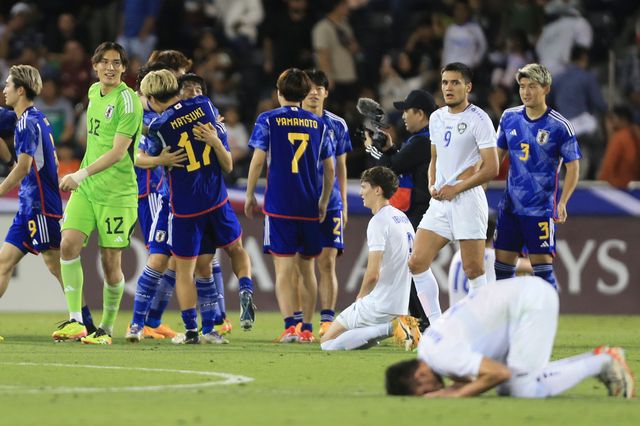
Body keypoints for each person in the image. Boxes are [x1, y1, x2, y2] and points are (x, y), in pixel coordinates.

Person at [140, 69, 255, 344]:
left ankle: (191, 330)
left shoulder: (158, 126)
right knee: (232, 251)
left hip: (185, 208)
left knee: (185, 270)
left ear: (154, 97)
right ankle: (244, 291)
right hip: (216, 199)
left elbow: (142, 157)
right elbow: (228, 165)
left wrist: (157, 159)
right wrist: (215, 138)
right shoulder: (206, 108)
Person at [385, 276, 636, 399]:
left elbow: (499, 373)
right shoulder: (430, 347)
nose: (431, 394)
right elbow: (487, 374)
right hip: (519, 300)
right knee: (510, 386)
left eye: (424, 394)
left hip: (529, 303)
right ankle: (601, 360)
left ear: (418, 377)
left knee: (520, 388)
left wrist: (454, 394)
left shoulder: (443, 356)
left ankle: (603, 361)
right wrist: (459, 387)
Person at [53, 42, 143, 345]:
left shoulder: (128, 101)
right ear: (94, 66)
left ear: (124, 68)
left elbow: (119, 153)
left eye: (117, 62)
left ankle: (104, 328)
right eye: (104, 61)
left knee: (110, 263)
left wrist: (80, 172)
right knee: (68, 244)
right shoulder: (93, 92)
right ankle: (77, 321)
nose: (110, 67)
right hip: (88, 190)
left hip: (117, 193)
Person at [0, 65, 96, 333]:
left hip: (40, 205)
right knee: (4, 261)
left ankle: (82, 322)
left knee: (56, 264)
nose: (4, 89)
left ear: (20, 90)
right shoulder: (33, 118)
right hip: (29, 204)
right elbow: (50, 158)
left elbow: (23, 167)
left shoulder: (27, 123)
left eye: (7, 85)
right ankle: (83, 322)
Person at [245, 68, 334, 343]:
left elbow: (258, 160)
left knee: (283, 269)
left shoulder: (268, 120)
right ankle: (307, 328)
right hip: (308, 205)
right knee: (308, 269)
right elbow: (329, 169)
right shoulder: (318, 123)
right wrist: (323, 201)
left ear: (279, 92)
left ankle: (290, 327)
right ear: (305, 93)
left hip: (279, 205)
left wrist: (249, 194)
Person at [407, 62, 499, 310]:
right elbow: (434, 158)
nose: (448, 87)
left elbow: (492, 167)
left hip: (467, 199)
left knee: (474, 269)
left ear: (467, 87)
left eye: (455, 82)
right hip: (440, 202)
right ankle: (436, 326)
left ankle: (483, 326)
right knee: (416, 262)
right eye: (445, 82)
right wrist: (431, 183)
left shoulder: (479, 119)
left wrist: (456, 188)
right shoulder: (436, 117)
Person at [493, 63, 581, 289]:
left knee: (542, 274)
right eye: (522, 86)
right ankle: (508, 323)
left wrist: (563, 202)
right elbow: (495, 159)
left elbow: (573, 167)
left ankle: (548, 322)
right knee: (501, 272)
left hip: (540, 210)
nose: (525, 92)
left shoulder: (560, 126)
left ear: (546, 89)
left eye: (532, 86)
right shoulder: (509, 117)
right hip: (510, 208)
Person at [321, 166, 421, 351]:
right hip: (399, 304)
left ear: (377, 190)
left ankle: (391, 328)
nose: (361, 192)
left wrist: (361, 297)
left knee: (327, 343)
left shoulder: (378, 221)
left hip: (378, 303)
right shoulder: (402, 218)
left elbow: (373, 273)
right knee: (364, 337)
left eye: (364, 186)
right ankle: (392, 327)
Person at [364, 89, 441, 331]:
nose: (403, 117)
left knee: (408, 267)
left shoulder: (422, 141)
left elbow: (389, 172)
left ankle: (424, 322)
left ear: (420, 113)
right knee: (410, 267)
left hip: (420, 210)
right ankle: (423, 321)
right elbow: (398, 162)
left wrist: (376, 150)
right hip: (420, 210)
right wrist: (388, 149)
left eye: (407, 111)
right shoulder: (423, 139)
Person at [291, 68, 351, 338]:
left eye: (320, 88)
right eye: (310, 88)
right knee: (297, 264)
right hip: (298, 202)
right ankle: (300, 323)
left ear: (327, 92)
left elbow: (340, 166)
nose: (314, 92)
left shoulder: (337, 125)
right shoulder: (288, 121)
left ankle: (327, 320)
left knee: (327, 262)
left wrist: (345, 204)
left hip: (332, 202)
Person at [597, 105, 640, 189]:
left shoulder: (619, 138)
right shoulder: (635, 134)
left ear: (623, 119)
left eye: (612, 118)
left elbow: (607, 168)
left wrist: (600, 185)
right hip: (635, 188)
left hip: (618, 189)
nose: (610, 122)